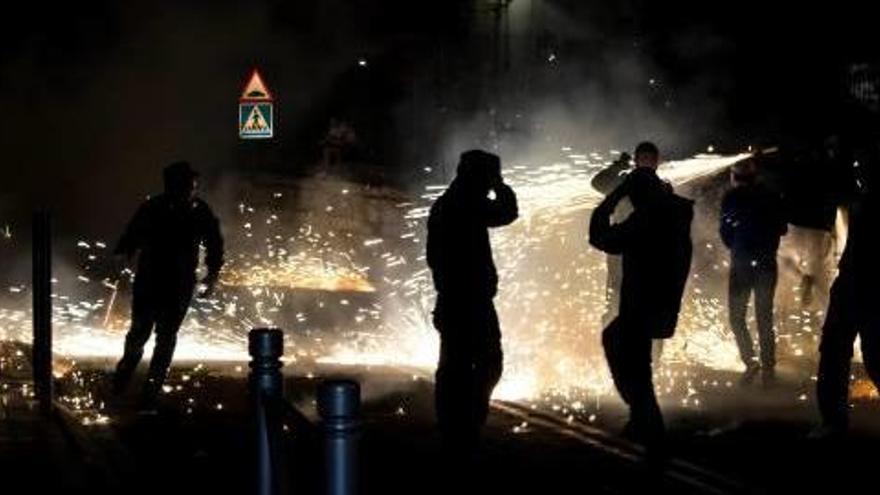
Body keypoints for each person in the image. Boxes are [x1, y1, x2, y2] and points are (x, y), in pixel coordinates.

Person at [589, 142, 694, 450]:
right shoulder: (671, 209)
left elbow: (600, 237)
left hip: (642, 299)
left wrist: (612, 199)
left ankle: (649, 425)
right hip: (658, 299)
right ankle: (644, 421)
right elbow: (598, 182)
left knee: (618, 341)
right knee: (636, 356)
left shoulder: (647, 218)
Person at [427, 149, 518, 455]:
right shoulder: (466, 203)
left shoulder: (448, 203)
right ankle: (466, 423)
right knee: (487, 362)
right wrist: (501, 186)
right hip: (470, 302)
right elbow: (507, 212)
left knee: (453, 366)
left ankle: (454, 425)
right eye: (490, 175)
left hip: (454, 300)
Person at [112, 161, 224, 410]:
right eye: (187, 184)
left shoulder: (198, 210)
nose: (191, 189)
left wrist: (212, 274)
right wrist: (122, 254)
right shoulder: (154, 208)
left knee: (164, 337)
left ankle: (149, 389)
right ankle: (124, 375)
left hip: (177, 284)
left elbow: (215, 243)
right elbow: (132, 235)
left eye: (192, 185)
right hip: (152, 280)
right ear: (173, 185)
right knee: (140, 333)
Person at [813, 143, 880, 439]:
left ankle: (833, 422)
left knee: (875, 354)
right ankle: (832, 421)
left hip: (871, 285)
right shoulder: (860, 197)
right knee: (833, 350)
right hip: (851, 281)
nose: (859, 171)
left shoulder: (868, 198)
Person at [719, 158, 788, 387]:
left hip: (741, 264)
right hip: (767, 263)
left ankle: (751, 362)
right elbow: (782, 228)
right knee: (764, 317)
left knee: (737, 317)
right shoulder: (771, 196)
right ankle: (768, 369)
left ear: (735, 177)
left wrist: (739, 247)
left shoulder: (731, 197)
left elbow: (725, 231)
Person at [591, 152, 632, 327]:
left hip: (638, 249)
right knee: (616, 291)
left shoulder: (652, 188)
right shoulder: (620, 186)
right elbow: (597, 182)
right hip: (620, 248)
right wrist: (618, 166)